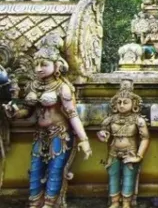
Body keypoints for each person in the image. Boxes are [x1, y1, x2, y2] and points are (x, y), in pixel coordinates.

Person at [3, 33, 92, 208]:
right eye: (36, 64)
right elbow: (27, 112)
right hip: (40, 134)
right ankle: (35, 203)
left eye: (44, 64)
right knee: (35, 170)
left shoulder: (63, 88)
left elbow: (72, 115)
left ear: (56, 65)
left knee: (55, 171)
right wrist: (13, 112)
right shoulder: (33, 86)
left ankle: (49, 204)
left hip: (59, 135)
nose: (38, 69)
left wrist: (84, 140)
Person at [98, 80, 150, 208]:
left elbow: (145, 138)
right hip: (113, 152)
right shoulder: (110, 119)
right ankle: (115, 202)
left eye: (125, 102)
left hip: (130, 152)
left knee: (128, 177)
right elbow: (102, 132)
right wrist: (102, 134)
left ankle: (126, 203)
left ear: (134, 104)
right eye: (119, 102)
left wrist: (139, 156)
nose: (121, 105)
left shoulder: (138, 120)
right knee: (113, 176)